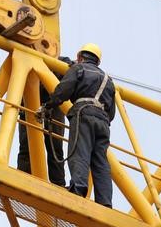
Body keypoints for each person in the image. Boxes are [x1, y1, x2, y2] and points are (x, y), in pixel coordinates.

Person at [41, 43, 115, 207]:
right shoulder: (108, 80)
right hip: (103, 122)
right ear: (97, 61)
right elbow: (112, 112)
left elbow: (63, 91)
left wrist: (48, 106)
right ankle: (105, 201)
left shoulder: (79, 69)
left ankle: (78, 189)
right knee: (100, 161)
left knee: (80, 152)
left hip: (84, 115)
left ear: (81, 57)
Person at [16, 56, 73, 187]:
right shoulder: (26, 60)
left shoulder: (60, 62)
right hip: (31, 109)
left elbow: (68, 69)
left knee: (55, 149)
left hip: (52, 112)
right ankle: (23, 178)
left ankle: (58, 184)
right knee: (26, 146)